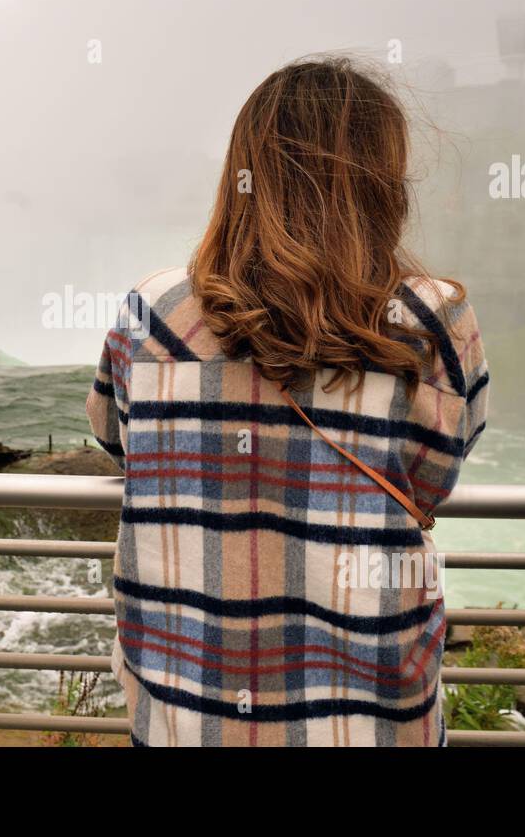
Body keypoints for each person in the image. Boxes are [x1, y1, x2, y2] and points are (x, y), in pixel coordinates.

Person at [87, 58, 489, 746]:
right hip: (371, 719)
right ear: (381, 183)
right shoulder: (433, 323)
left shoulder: (151, 314)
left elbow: (115, 439)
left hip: (188, 717)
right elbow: (431, 481)